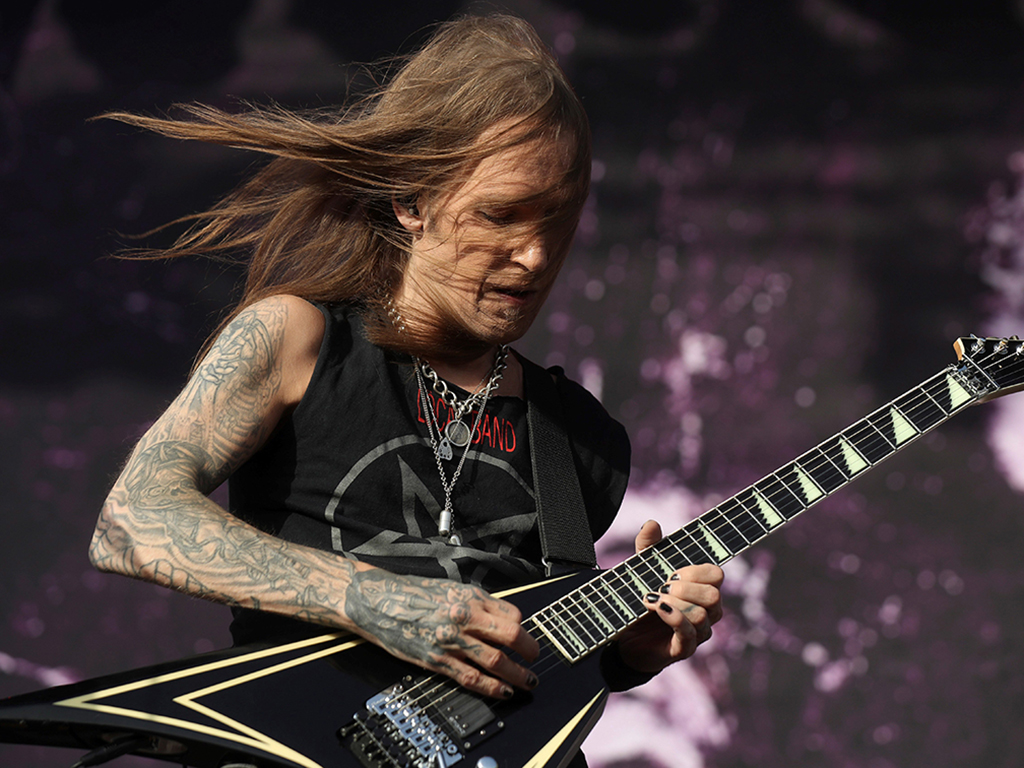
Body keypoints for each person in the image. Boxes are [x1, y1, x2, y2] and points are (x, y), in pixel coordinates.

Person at [88, 13, 723, 766]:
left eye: (558, 221)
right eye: (500, 214)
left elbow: (534, 675)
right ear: (410, 201)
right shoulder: (295, 338)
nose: (533, 254)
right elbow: (131, 519)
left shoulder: (580, 439)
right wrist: (371, 599)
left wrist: (634, 652)